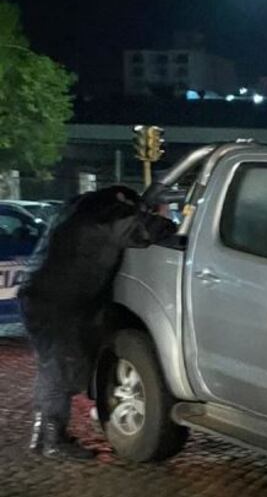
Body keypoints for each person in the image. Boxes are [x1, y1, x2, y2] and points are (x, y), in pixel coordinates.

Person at [17, 187, 176, 459]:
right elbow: (148, 231)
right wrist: (163, 216)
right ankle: (53, 442)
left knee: (51, 367)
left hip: (38, 294)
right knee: (62, 368)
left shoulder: (78, 207)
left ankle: (42, 436)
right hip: (59, 302)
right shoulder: (111, 216)